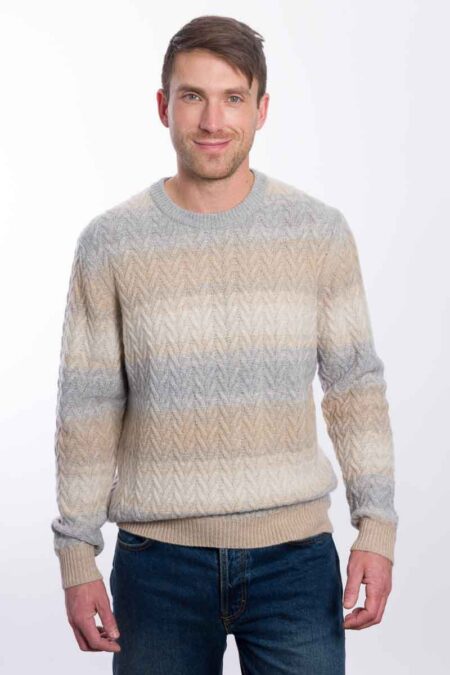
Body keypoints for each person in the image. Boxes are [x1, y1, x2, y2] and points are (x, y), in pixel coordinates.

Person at [51, 14, 398, 675]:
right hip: (156, 565)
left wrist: (375, 528)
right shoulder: (112, 243)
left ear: (261, 110)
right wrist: (77, 554)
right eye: (193, 96)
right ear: (163, 106)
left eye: (233, 97)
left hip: (295, 559)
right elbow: (87, 407)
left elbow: (355, 387)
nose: (213, 121)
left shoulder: (317, 232)